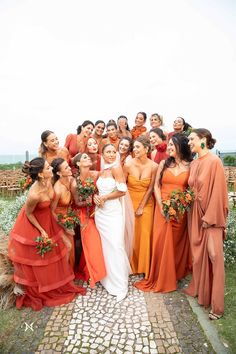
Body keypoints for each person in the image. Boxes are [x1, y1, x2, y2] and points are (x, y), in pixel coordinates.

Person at [8, 158, 85, 311]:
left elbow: (51, 208)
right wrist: (41, 231)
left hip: (49, 220)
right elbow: (29, 214)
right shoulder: (34, 194)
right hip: (33, 224)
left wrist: (60, 225)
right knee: (41, 259)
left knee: (64, 248)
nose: (50, 169)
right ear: (42, 174)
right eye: (48, 167)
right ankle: (42, 288)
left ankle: (56, 283)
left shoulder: (49, 182)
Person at [135, 133, 192, 293]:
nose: (169, 148)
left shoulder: (190, 166)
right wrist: (161, 206)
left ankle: (174, 273)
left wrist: (180, 204)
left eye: (172, 145)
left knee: (176, 243)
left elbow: (190, 190)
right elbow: (156, 187)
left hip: (179, 211)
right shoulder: (163, 164)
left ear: (181, 146)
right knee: (161, 242)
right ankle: (161, 275)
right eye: (169, 146)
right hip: (162, 209)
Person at [184, 128, 228, 320]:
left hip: (210, 216)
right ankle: (203, 294)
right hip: (194, 214)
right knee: (198, 257)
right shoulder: (194, 163)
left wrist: (209, 218)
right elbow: (191, 188)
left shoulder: (214, 161)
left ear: (203, 140)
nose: (189, 142)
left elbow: (219, 192)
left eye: (192, 139)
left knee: (214, 256)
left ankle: (217, 306)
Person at [94, 144, 130, 302]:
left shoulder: (116, 168)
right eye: (108, 151)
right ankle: (107, 279)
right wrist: (96, 197)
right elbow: (99, 191)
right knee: (105, 247)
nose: (111, 154)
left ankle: (121, 285)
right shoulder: (102, 171)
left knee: (116, 245)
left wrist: (105, 198)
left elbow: (122, 191)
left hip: (113, 212)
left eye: (113, 152)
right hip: (100, 213)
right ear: (102, 154)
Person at [124, 136, 158, 279]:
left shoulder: (154, 166)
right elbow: (122, 185)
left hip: (146, 203)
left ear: (147, 149)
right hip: (129, 201)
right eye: (134, 147)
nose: (135, 149)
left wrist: (141, 207)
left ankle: (144, 267)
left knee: (144, 233)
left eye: (138, 147)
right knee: (131, 234)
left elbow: (151, 188)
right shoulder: (128, 165)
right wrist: (126, 205)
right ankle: (131, 265)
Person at [72, 153, 107, 289]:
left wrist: (98, 197)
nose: (88, 159)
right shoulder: (75, 182)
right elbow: (76, 202)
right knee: (92, 242)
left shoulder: (97, 174)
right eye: (84, 158)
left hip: (99, 210)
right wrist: (85, 202)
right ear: (78, 164)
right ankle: (94, 273)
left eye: (88, 157)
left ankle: (90, 267)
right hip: (84, 213)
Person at [51, 158, 76, 269]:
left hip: (68, 217)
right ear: (59, 173)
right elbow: (51, 211)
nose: (70, 168)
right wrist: (65, 227)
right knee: (65, 248)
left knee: (71, 248)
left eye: (68, 165)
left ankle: (69, 272)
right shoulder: (57, 189)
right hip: (58, 221)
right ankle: (63, 275)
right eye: (66, 167)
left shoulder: (70, 179)